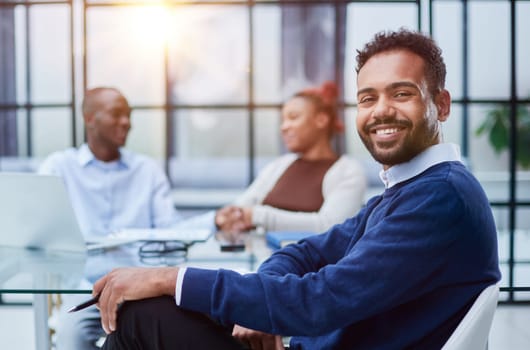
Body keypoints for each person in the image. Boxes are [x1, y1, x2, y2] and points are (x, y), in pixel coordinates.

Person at [93, 29, 501, 349]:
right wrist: (263, 312)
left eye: (402, 94)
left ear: (441, 105)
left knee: (142, 316)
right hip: (304, 340)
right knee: (147, 314)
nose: (381, 111)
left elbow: (319, 300)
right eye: (367, 98)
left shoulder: (440, 197)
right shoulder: (406, 191)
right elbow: (305, 252)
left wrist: (169, 277)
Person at [38, 87, 181, 350]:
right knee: (71, 338)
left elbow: (169, 236)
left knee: (165, 332)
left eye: (128, 115)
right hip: (82, 289)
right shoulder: (58, 168)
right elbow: (41, 232)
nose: (126, 122)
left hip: (141, 288)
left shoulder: (147, 171)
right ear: (89, 118)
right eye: (116, 114)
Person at [215, 82, 366, 234]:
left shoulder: (348, 171)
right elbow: (241, 207)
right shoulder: (280, 165)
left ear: (321, 120)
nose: (284, 127)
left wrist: (258, 216)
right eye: (283, 120)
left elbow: (330, 226)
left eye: (293, 117)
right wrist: (226, 215)